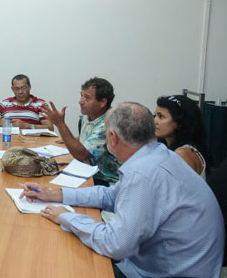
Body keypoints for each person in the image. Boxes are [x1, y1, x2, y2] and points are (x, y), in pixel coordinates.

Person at [20, 102, 224, 278]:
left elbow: (115, 244)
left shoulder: (144, 173)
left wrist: (67, 217)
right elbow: (111, 195)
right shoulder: (157, 155)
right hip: (160, 264)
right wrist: (56, 194)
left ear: (113, 137)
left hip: (164, 273)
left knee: (60, 264)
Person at [42, 77, 120, 185]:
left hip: (104, 180)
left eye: (87, 98)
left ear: (102, 102)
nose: (80, 102)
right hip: (87, 169)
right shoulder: (88, 116)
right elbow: (89, 137)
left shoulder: (107, 124)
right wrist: (72, 139)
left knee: (52, 185)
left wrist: (61, 125)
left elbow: (82, 155)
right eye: (81, 95)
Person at [155, 95, 207, 178]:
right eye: (155, 115)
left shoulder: (183, 154)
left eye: (161, 116)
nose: (155, 121)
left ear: (179, 123)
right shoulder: (180, 149)